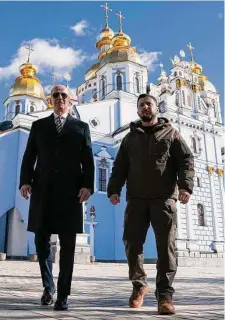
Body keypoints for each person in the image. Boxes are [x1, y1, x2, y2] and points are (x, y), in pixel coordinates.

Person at [107, 93, 194, 315]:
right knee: (131, 242)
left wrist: (185, 186)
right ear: (137, 110)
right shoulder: (129, 138)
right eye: (141, 105)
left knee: (166, 247)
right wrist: (114, 189)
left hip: (163, 198)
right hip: (136, 198)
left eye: (149, 104)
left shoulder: (171, 133)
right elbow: (119, 167)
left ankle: (164, 296)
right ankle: (139, 285)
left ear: (156, 108)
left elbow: (186, 159)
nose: (145, 107)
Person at [19, 85, 94, 311]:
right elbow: (29, 155)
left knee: (68, 246)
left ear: (70, 100)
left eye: (64, 95)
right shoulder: (39, 126)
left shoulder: (81, 127)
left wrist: (87, 186)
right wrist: (25, 181)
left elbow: (88, 160)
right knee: (41, 242)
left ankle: (63, 294)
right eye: (55, 95)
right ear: (49, 100)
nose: (60, 98)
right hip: (42, 191)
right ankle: (48, 286)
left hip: (70, 194)